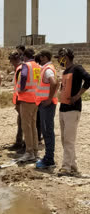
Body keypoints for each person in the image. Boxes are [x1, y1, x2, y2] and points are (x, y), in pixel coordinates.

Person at [55, 48, 90, 176]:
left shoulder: (77, 68)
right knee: (65, 139)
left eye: (59, 57)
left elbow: (88, 79)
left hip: (73, 109)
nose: (58, 60)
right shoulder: (66, 71)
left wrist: (77, 95)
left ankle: (66, 167)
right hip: (63, 108)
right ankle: (73, 165)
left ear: (65, 57)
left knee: (69, 139)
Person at [34, 50, 59, 169]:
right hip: (45, 104)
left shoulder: (48, 69)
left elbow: (54, 83)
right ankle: (48, 157)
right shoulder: (46, 68)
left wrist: (49, 99)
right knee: (47, 131)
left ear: (44, 57)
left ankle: (49, 159)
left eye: (40, 57)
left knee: (47, 132)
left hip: (47, 105)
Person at [17, 48, 41, 162]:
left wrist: (21, 89)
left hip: (26, 98)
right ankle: (35, 151)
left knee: (26, 126)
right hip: (36, 99)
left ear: (24, 56)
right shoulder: (37, 66)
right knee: (33, 126)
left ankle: (29, 152)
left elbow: (24, 76)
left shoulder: (26, 66)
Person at [8, 51, 25, 152]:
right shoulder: (20, 68)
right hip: (21, 100)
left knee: (24, 123)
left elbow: (20, 87)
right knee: (21, 122)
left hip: (23, 101)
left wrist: (18, 102)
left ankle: (24, 145)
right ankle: (19, 142)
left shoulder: (20, 69)